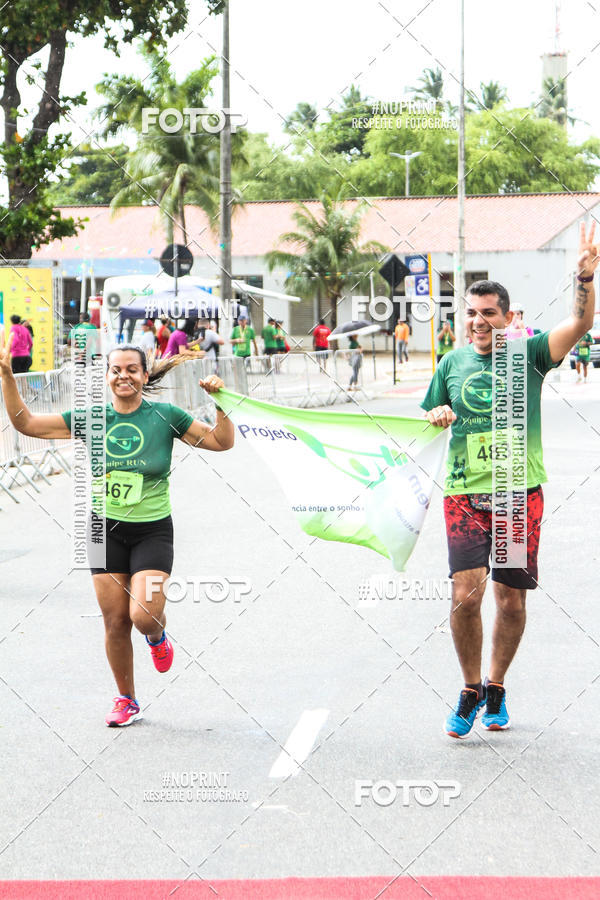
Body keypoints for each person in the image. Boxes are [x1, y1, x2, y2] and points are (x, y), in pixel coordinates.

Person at [421, 221, 598, 740]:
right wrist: (436, 419)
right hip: (463, 494)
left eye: (488, 313)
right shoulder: (450, 363)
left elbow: (580, 324)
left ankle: (497, 684)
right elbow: (428, 421)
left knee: (511, 600)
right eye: (471, 313)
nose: (478, 321)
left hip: (517, 497)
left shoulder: (530, 355)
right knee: (465, 596)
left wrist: (584, 279)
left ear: (507, 317)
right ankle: (470, 687)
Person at [0, 342, 235, 726]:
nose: (122, 375)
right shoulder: (91, 418)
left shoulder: (166, 415)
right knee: (114, 622)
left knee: (143, 615)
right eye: (115, 370)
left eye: (131, 369)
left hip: (152, 530)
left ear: (144, 375)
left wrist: (221, 401)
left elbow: (222, 442)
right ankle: (127, 700)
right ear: (107, 376)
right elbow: (26, 423)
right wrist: (8, 377)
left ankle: (156, 637)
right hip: (101, 529)